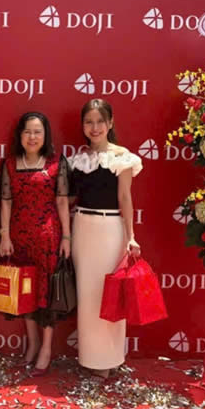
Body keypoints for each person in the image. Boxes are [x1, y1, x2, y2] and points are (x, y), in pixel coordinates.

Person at [69, 99, 142, 378]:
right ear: (83, 126)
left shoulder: (123, 157)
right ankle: (90, 358)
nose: (95, 127)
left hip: (111, 230)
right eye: (89, 121)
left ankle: (111, 358)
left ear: (110, 123)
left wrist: (131, 237)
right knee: (88, 297)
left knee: (111, 295)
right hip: (82, 230)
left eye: (100, 121)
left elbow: (125, 198)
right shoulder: (78, 159)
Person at [0, 112, 71, 376]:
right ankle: (32, 344)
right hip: (19, 237)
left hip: (48, 237)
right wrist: (4, 235)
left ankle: (46, 349)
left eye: (37, 132)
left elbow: (62, 201)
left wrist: (67, 236)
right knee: (25, 293)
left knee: (47, 293)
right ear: (20, 135)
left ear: (45, 136)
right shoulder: (8, 164)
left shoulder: (55, 163)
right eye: (28, 132)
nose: (32, 137)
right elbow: (5, 202)